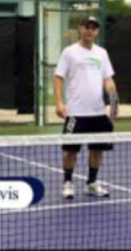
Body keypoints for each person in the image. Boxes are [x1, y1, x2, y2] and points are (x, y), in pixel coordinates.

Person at [54, 16, 119, 199]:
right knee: (70, 151)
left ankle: (92, 183)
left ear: (97, 31)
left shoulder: (102, 53)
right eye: (86, 27)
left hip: (98, 112)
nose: (90, 30)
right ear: (80, 29)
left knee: (97, 150)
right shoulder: (69, 52)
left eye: (93, 28)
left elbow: (108, 80)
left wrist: (114, 102)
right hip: (76, 113)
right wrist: (59, 103)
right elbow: (59, 78)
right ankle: (67, 182)